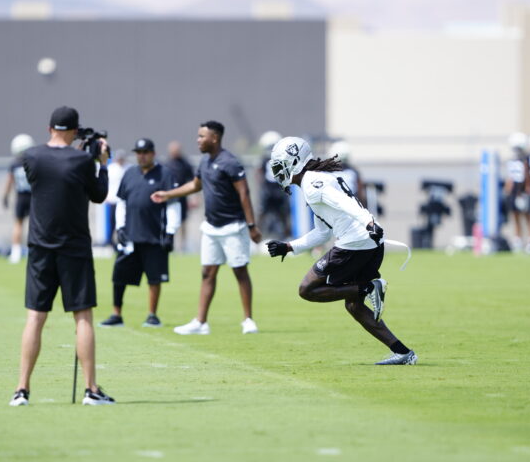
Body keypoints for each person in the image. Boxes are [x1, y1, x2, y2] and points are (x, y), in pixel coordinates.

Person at [265, 136, 417, 365]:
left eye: (281, 165)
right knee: (354, 304)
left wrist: (368, 221)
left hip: (355, 244)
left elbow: (343, 203)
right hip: (369, 244)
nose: (278, 172)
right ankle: (403, 352)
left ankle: (368, 287)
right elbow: (323, 233)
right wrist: (290, 247)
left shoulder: (312, 183)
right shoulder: (316, 179)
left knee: (307, 289)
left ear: (295, 162)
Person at [9, 106, 114, 407]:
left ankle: (21, 390)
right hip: (74, 248)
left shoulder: (31, 157)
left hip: (40, 247)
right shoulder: (82, 160)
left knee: (35, 317)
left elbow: (49, 174)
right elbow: (98, 194)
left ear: (49, 128)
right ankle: (91, 390)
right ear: (74, 130)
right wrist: (101, 163)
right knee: (82, 317)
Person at [151, 120, 263, 335]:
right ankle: (200, 323)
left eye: (202, 136)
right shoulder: (204, 162)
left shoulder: (230, 162)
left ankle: (248, 320)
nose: (198, 140)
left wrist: (251, 225)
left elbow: (244, 193)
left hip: (233, 226)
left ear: (215, 138)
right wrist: (167, 194)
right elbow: (194, 185)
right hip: (211, 227)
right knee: (207, 273)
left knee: (240, 271)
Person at [100, 138, 181, 329]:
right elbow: (121, 202)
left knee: (154, 278)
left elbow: (173, 204)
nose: (142, 156)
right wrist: (120, 228)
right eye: (138, 152)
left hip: (155, 235)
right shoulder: (129, 174)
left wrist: (170, 232)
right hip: (130, 234)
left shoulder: (165, 174)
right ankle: (116, 314)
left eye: (145, 152)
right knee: (119, 275)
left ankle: (152, 314)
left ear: (152, 153)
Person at [2, 133, 34, 263]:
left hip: (21, 197)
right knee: (35, 226)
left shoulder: (14, 164)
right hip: (33, 196)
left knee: (18, 224)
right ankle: (33, 250)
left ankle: (15, 252)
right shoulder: (33, 163)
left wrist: (5, 196)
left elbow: (9, 181)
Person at [257, 130, 291, 238]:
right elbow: (259, 174)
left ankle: (287, 237)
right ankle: (256, 237)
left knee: (283, 215)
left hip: (279, 191)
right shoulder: (264, 160)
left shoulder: (282, 160)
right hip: (268, 191)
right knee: (261, 214)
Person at [166, 141, 195, 252]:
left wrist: (193, 198)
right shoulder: (167, 164)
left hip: (182, 197)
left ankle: (183, 245)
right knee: (171, 221)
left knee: (183, 222)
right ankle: (170, 243)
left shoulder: (185, 164)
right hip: (169, 198)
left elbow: (193, 181)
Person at [503, 132, 529, 249]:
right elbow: (510, 178)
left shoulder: (527, 160)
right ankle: (518, 240)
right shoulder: (512, 161)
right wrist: (507, 190)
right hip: (514, 192)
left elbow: (527, 177)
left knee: (527, 216)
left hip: (523, 191)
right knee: (516, 217)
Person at [103, 149, 127, 247]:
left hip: (123, 200)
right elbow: (105, 183)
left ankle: (123, 240)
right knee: (112, 222)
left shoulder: (127, 168)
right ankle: (111, 242)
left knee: (122, 222)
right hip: (113, 199)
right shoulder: (111, 168)